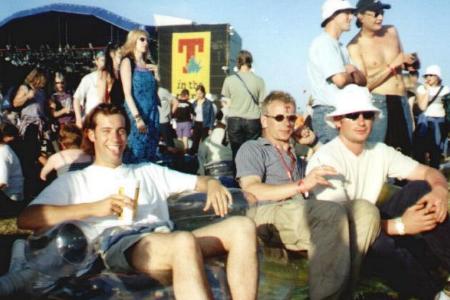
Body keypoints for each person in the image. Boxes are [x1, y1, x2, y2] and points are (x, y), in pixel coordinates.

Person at [17, 103, 258, 300]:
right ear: (91, 134)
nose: (115, 138)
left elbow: (199, 182)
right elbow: (26, 219)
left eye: (121, 131)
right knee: (183, 241)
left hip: (164, 237)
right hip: (120, 243)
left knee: (242, 227)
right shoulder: (76, 180)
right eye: (106, 131)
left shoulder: (148, 171)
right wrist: (95, 208)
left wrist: (213, 184)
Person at [306, 84, 450, 299]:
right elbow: (342, 225)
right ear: (338, 121)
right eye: (353, 115)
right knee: (378, 242)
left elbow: (428, 172)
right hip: (345, 239)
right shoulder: (326, 159)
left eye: (368, 115)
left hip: (373, 220)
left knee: (421, 189)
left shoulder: (378, 150)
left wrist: (440, 190)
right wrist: (402, 226)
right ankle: (435, 295)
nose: (362, 121)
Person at [236, 91, 380, 299]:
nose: (287, 123)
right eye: (279, 117)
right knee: (331, 212)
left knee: (365, 211)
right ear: (264, 121)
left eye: (292, 118)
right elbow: (252, 189)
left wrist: (313, 144)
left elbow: (333, 162)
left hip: (302, 211)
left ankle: (345, 291)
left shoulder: (298, 154)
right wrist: (301, 185)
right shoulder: (253, 148)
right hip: (266, 212)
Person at [347, 0, 419, 154]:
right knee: (377, 154)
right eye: (375, 14)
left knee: (406, 155)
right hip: (378, 102)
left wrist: (410, 63)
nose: (380, 18)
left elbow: (402, 61)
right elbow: (365, 85)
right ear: (360, 16)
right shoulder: (354, 46)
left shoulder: (392, 31)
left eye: (382, 13)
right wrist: (393, 66)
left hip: (402, 99)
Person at [307, 0, 366, 144]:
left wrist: (351, 73)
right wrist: (352, 73)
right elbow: (339, 80)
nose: (351, 17)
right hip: (328, 112)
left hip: (340, 112)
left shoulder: (340, 46)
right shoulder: (324, 43)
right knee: (335, 164)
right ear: (333, 15)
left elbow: (363, 81)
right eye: (346, 13)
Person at [120, 29, 160, 163]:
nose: (145, 42)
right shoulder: (127, 62)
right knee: (136, 152)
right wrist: (137, 118)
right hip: (137, 113)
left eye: (147, 40)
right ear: (133, 41)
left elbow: (154, 92)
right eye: (141, 39)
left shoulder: (148, 63)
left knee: (150, 153)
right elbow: (127, 94)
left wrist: (157, 75)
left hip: (152, 114)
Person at [221, 50, 266, 163]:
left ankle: (237, 179)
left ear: (238, 62)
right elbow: (262, 103)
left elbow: (225, 101)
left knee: (236, 153)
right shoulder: (259, 81)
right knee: (252, 154)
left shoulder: (229, 80)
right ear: (251, 62)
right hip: (253, 121)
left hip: (234, 120)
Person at [11, 68, 49, 199]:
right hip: (28, 126)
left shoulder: (42, 92)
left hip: (39, 125)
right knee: (30, 156)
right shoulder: (25, 88)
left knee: (35, 156)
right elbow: (15, 103)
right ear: (37, 78)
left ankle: (36, 186)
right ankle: (29, 188)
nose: (45, 81)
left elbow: (42, 109)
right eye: (43, 78)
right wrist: (27, 96)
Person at [413, 65, 450, 169]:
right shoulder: (421, 88)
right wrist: (427, 91)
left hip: (439, 121)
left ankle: (434, 172)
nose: (428, 78)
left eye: (431, 75)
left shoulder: (445, 90)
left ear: (437, 77)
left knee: (436, 150)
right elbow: (423, 106)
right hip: (425, 119)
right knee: (421, 148)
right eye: (426, 76)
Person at [73, 51, 105, 128]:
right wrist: (78, 119)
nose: (105, 63)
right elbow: (77, 98)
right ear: (96, 61)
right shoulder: (88, 78)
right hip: (90, 121)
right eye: (103, 60)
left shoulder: (113, 78)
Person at [191, 84, 216, 154]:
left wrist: (211, 128)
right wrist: (192, 127)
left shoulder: (208, 103)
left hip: (205, 125)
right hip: (196, 124)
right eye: (197, 93)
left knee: (205, 143)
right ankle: (193, 157)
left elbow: (212, 116)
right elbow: (192, 115)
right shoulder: (194, 103)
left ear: (204, 93)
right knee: (195, 142)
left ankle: (205, 156)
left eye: (200, 93)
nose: (199, 95)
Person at [157, 85, 177, 150]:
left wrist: (169, 114)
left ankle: (174, 159)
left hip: (164, 122)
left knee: (170, 146)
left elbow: (176, 103)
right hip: (153, 122)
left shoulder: (163, 91)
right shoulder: (149, 91)